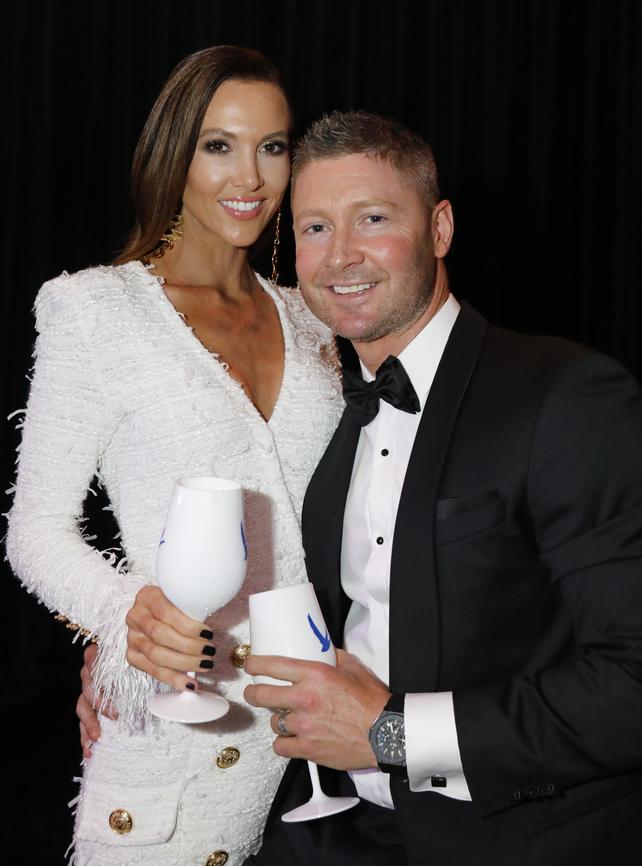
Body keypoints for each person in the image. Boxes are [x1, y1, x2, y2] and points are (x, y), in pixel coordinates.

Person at [76, 111, 642, 864]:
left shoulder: (565, 395)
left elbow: (639, 684)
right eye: (314, 228)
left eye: (372, 219)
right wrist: (126, 649)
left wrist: (392, 734)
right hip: (324, 832)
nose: (340, 255)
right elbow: (259, 591)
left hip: (514, 838)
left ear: (439, 230)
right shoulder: (316, 413)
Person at [6, 47, 342, 866]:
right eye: (218, 145)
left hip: (328, 747)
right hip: (179, 749)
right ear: (173, 155)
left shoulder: (320, 319)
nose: (251, 177)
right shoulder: (94, 311)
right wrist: (125, 616)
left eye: (273, 145)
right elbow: (35, 530)